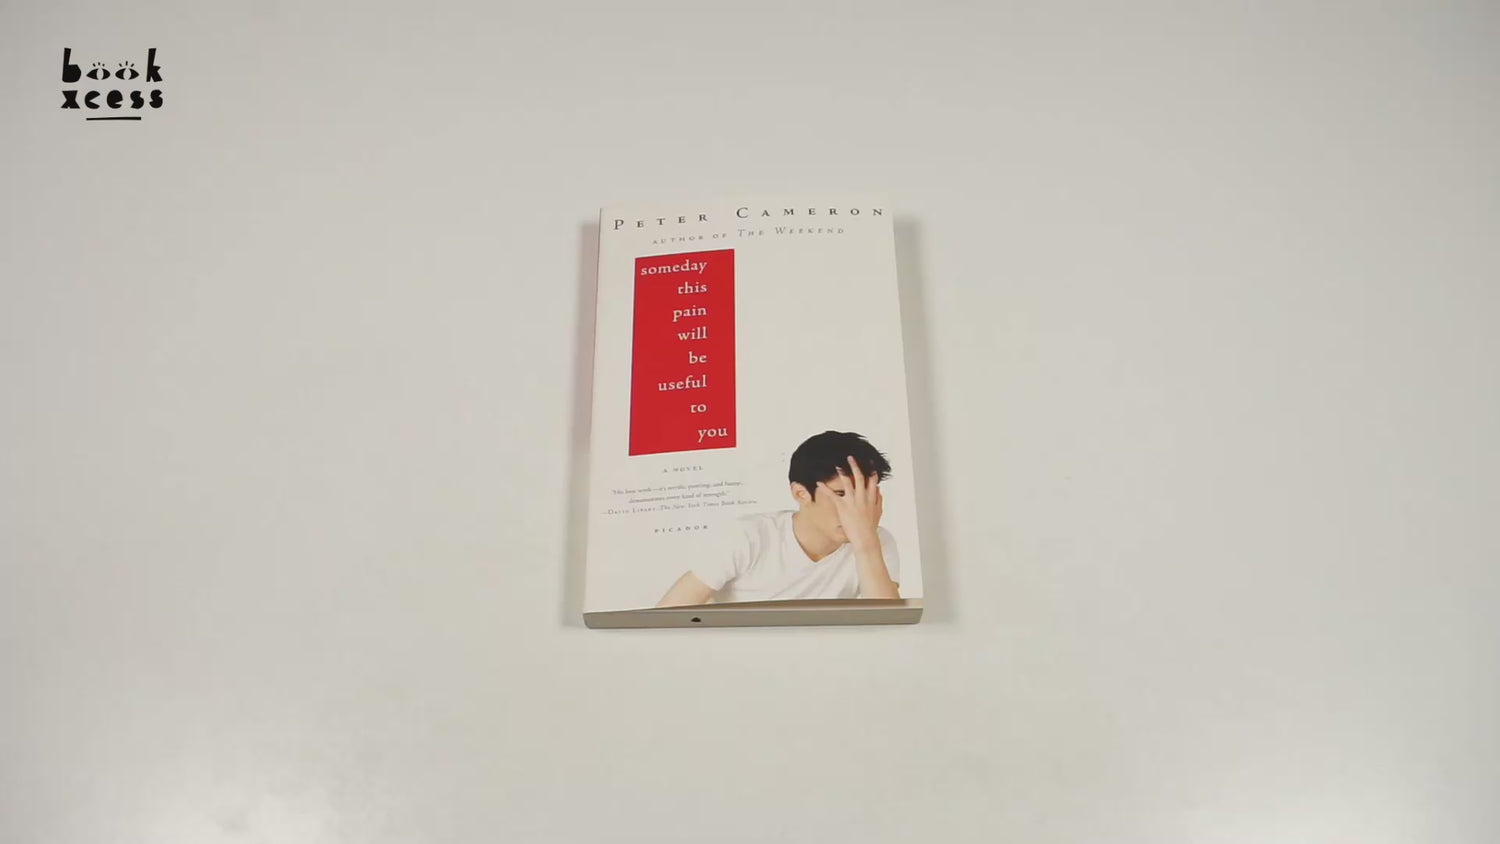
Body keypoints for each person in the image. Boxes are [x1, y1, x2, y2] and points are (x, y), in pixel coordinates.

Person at [656, 431, 901, 606]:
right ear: (801, 494)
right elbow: (667, 615)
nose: (857, 509)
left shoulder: (876, 542)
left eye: (865, 494)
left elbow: (888, 629)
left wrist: (866, 543)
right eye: (840, 494)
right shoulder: (750, 537)